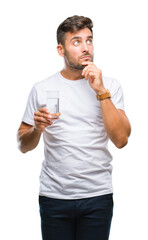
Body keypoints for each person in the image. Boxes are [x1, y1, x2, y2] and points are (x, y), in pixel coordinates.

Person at [17, 15, 131, 240]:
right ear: (61, 50)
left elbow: (121, 140)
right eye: (76, 42)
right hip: (54, 198)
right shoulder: (42, 88)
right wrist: (37, 129)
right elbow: (22, 145)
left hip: (97, 196)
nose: (85, 47)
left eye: (89, 40)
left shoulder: (111, 86)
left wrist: (100, 91)